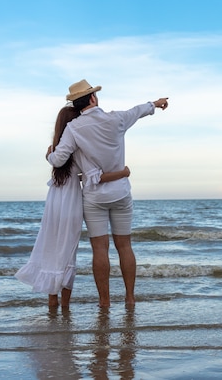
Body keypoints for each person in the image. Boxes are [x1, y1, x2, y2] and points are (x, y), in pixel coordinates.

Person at [47, 79, 169, 307]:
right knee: (125, 246)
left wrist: (49, 155)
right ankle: (130, 298)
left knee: (99, 249)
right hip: (121, 192)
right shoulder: (116, 119)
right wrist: (157, 103)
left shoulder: (73, 128)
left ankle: (104, 301)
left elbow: (59, 159)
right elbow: (139, 110)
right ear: (93, 98)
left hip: (95, 197)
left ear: (77, 104)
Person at [15, 105, 130, 309]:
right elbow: (94, 176)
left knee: (52, 247)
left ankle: (53, 304)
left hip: (54, 202)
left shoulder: (56, 149)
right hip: (71, 202)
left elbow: (62, 168)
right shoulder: (77, 147)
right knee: (68, 252)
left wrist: (48, 157)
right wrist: (123, 173)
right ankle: (65, 307)